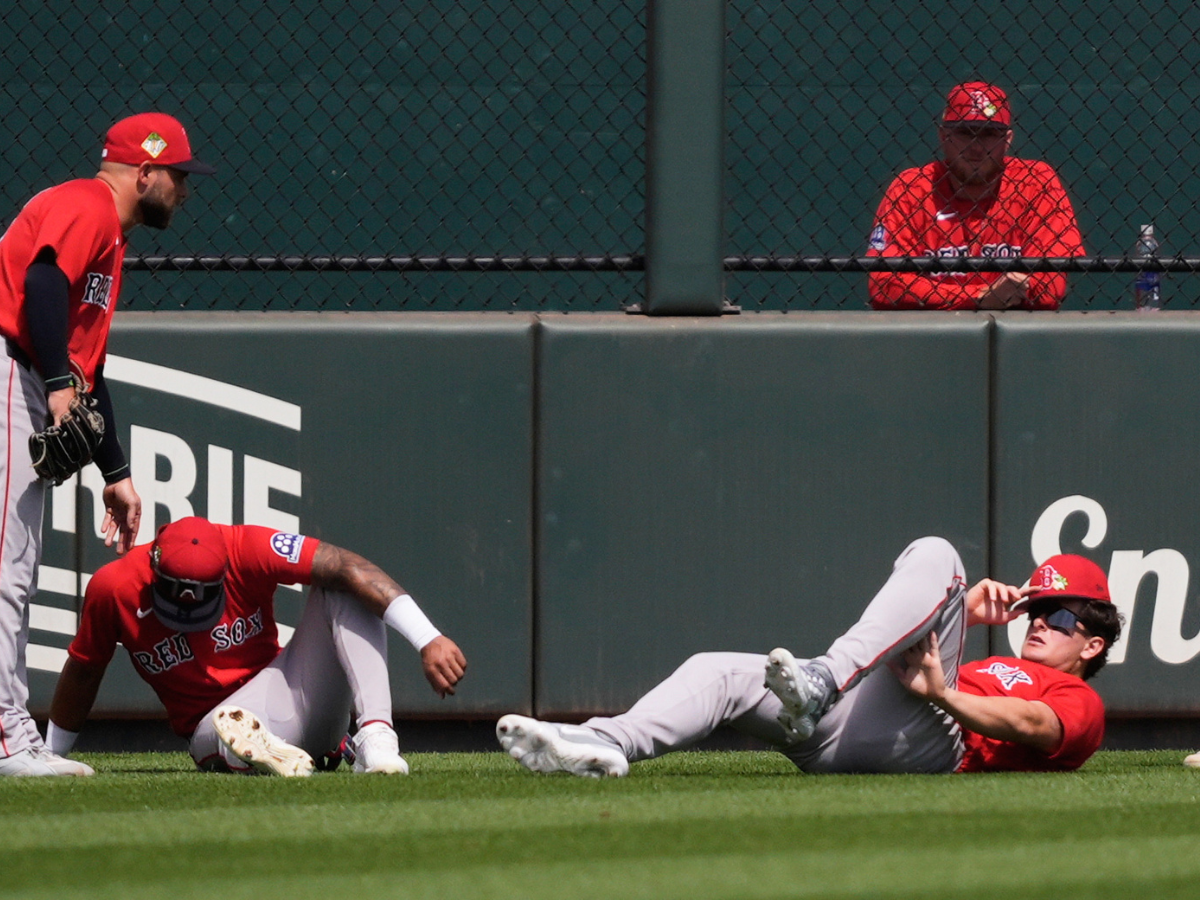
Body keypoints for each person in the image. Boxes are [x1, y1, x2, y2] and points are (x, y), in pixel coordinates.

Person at [496, 537, 1121, 778]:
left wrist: (941, 696)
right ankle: (604, 743)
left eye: (1060, 615)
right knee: (720, 671)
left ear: (1091, 645)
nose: (1040, 622)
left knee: (940, 554)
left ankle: (823, 677)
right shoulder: (985, 662)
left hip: (938, 746)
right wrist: (960, 614)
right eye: (1036, 608)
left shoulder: (1079, 700)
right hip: (861, 722)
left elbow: (1033, 726)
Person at [0, 112, 214, 776]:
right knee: (7, 567)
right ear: (144, 172)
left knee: (16, 565)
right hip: (12, 370)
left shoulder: (108, 238)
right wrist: (59, 383)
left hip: (28, 372)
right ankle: (8, 739)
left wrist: (114, 471)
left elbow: (90, 367)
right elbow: (40, 284)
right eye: (177, 177)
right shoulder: (87, 204)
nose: (184, 190)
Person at [46, 516, 467, 777]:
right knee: (230, 726)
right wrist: (51, 755)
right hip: (211, 725)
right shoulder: (113, 587)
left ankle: (376, 738)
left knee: (342, 584)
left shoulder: (246, 547)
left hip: (284, 686)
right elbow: (84, 670)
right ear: (154, 567)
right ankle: (292, 751)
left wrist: (427, 637)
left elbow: (349, 565)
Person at [866, 82, 1085, 310]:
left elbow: (1050, 288)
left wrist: (948, 297)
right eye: (965, 133)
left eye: (989, 134)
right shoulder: (911, 188)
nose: (976, 147)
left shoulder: (1036, 182)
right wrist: (980, 297)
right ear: (943, 136)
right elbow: (884, 285)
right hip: (933, 335)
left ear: (1008, 139)